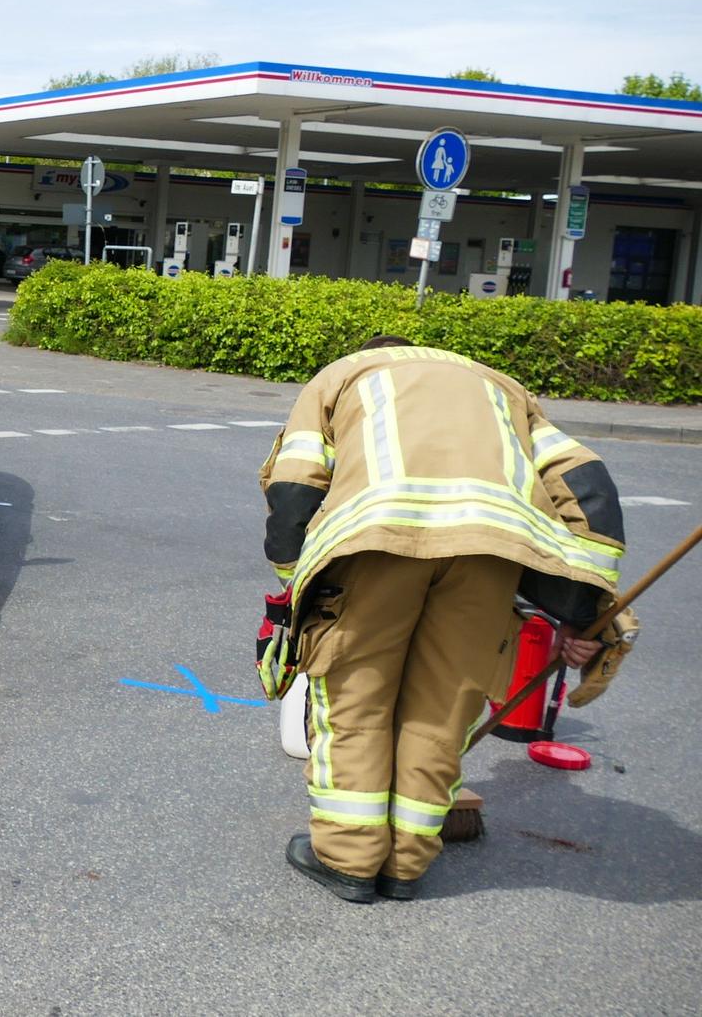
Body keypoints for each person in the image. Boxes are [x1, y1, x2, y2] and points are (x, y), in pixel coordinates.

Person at [259, 335, 624, 902]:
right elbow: (587, 488)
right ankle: (405, 864)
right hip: (487, 555)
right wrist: (579, 609)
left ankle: (349, 860)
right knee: (444, 707)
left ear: (373, 351)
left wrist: (295, 578)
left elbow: (295, 483)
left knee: (358, 700)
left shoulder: (344, 375)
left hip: (376, 544)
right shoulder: (503, 387)